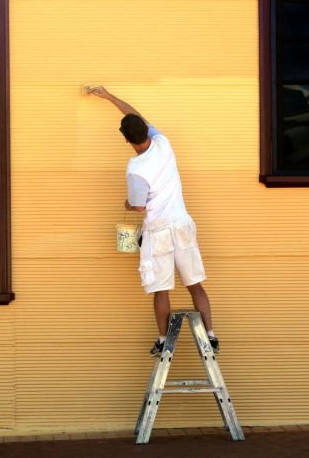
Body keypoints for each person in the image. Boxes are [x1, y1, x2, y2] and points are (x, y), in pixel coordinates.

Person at [89, 86, 219, 356]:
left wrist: (126, 203)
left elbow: (138, 206)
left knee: (161, 290)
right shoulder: (163, 143)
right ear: (146, 130)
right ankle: (211, 335)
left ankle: (163, 341)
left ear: (126, 139)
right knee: (194, 284)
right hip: (181, 223)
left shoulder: (136, 168)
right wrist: (111, 97)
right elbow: (136, 115)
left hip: (158, 231)